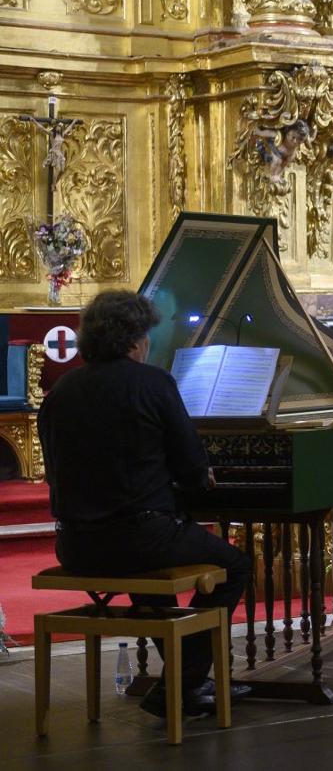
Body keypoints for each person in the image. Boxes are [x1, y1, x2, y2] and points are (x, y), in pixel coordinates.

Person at [38, 291, 251, 716]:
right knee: (236, 564)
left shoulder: (59, 393)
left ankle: (185, 681)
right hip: (142, 537)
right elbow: (193, 469)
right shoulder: (152, 383)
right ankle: (182, 682)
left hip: (76, 545)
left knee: (145, 586)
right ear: (136, 340)